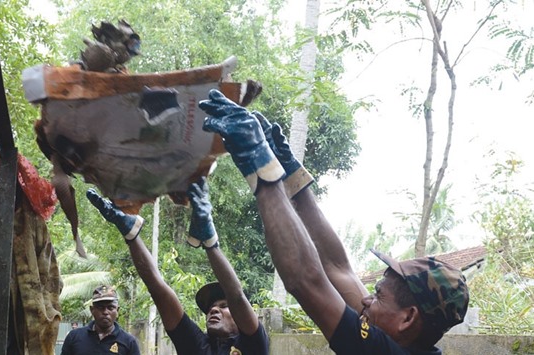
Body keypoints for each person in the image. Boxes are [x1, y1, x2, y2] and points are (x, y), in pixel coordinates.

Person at [199, 89, 469, 354]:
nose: (365, 298)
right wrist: (294, 179)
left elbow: (305, 280)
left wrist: (257, 162)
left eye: (378, 295)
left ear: (408, 318)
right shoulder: (399, 338)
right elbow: (338, 269)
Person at [86, 177, 269, 355]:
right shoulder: (198, 346)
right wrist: (130, 235)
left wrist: (210, 243)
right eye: (212, 307)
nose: (213, 310)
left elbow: (236, 295)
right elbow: (158, 289)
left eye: (223, 306)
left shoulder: (253, 345)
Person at [61, 285, 141, 355]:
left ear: (117, 310)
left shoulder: (129, 342)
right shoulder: (74, 337)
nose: (105, 312)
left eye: (110, 307)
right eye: (100, 307)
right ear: (92, 310)